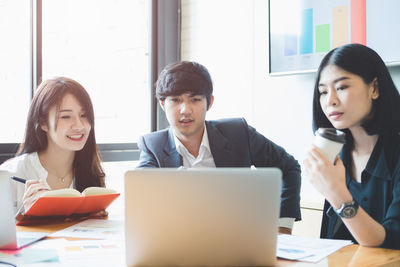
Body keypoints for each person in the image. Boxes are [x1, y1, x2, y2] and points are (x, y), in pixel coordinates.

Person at [137, 61, 301, 234]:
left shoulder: (238, 133)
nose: (185, 110)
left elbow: (288, 167)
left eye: (195, 99)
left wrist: (283, 226)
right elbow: (139, 194)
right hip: (179, 242)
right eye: (176, 100)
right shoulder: (153, 146)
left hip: (238, 240)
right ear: (163, 104)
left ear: (209, 102)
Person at [304, 44, 400, 249]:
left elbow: (391, 242)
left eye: (341, 87)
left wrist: (337, 192)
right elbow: (330, 245)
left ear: (374, 88)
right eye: (323, 92)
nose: (330, 100)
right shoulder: (338, 154)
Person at [0, 77, 105, 214]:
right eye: (65, 117)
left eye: (84, 115)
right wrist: (25, 215)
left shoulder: (92, 172)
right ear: (43, 122)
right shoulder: (11, 174)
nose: (79, 125)